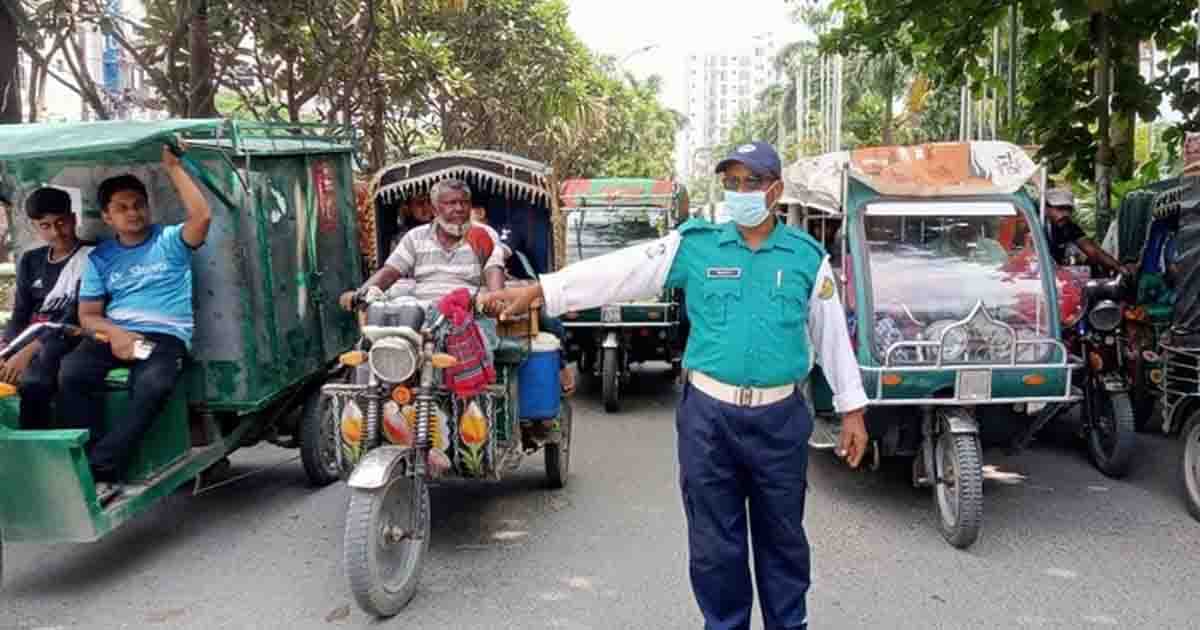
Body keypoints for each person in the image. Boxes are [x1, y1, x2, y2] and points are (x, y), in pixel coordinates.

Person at [480, 141, 869, 630]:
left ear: (776, 190)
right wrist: (542, 291)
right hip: (709, 418)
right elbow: (621, 271)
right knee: (714, 544)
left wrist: (852, 411)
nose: (741, 192)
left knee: (783, 538)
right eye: (732, 183)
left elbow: (831, 334)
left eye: (752, 183)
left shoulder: (805, 258)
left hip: (779, 418)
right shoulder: (696, 244)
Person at [59, 145, 212, 504]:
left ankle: (101, 470)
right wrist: (116, 334)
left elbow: (202, 218)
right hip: (116, 332)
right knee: (71, 373)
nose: (133, 213)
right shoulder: (101, 258)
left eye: (137, 204)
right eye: (122, 208)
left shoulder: (171, 241)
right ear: (108, 218)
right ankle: (91, 462)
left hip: (165, 336)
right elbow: (88, 315)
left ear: (148, 206)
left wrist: (174, 167)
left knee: (154, 385)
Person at [0, 188, 95, 429]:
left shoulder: (93, 256)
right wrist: (8, 350)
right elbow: (20, 313)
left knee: (35, 380)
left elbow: (74, 316)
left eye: (61, 222)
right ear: (35, 227)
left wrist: (27, 352)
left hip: (69, 334)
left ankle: (42, 452)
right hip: (31, 336)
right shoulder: (31, 260)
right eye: (46, 226)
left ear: (73, 219)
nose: (56, 232)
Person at [340, 178, 505, 308]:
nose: (459, 208)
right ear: (435, 210)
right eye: (451, 203)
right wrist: (360, 294)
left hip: (468, 311)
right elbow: (390, 271)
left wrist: (496, 299)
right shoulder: (415, 237)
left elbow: (494, 269)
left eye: (464, 202)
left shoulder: (485, 234)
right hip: (421, 313)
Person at [1044, 188, 1132, 276]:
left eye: (1069, 209)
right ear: (1046, 208)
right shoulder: (1036, 224)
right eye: (1060, 209)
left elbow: (1093, 251)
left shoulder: (1068, 226)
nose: (1066, 214)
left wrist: (1120, 268)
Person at [930, 220, 1008, 265]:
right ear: (950, 229)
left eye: (967, 226)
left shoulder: (993, 248)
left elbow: (1003, 272)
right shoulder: (933, 249)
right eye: (959, 227)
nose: (964, 230)